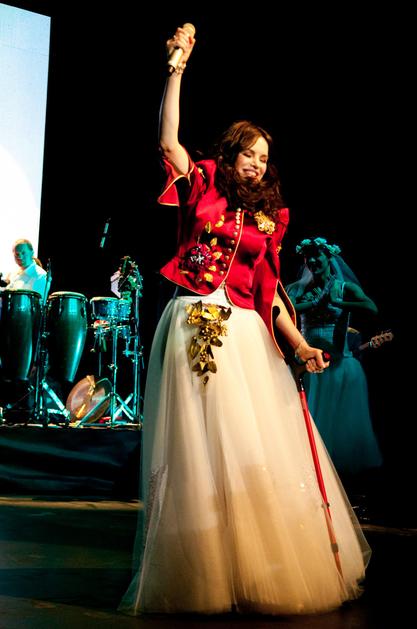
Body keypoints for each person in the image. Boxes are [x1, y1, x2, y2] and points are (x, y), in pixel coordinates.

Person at [119, 26, 371, 617]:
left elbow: (269, 291)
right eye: (249, 154)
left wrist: (300, 345)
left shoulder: (269, 219)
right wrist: (176, 70)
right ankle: (205, 572)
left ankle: (251, 566)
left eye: (264, 157)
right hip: (195, 320)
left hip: (246, 333)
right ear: (230, 153)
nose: (257, 164)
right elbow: (168, 140)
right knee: (202, 448)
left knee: (249, 446)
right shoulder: (203, 183)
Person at [285, 237, 383, 479]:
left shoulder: (343, 288)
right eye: (308, 258)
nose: (312, 261)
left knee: (341, 429)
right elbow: (285, 310)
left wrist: (340, 302)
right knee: (310, 425)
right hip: (308, 365)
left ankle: (345, 485)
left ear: (329, 257)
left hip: (340, 365)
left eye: (317, 256)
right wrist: (314, 303)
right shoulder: (297, 289)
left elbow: (371, 307)